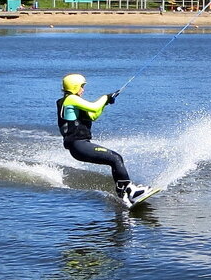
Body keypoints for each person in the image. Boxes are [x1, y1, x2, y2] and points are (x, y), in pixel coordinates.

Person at [57, 73, 149, 206]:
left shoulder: (71, 102)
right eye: (82, 86)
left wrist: (105, 103)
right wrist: (105, 97)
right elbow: (94, 107)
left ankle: (124, 195)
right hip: (79, 145)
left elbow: (93, 115)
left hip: (79, 146)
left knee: (116, 159)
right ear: (75, 86)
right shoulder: (71, 99)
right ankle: (131, 192)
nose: (83, 89)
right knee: (115, 158)